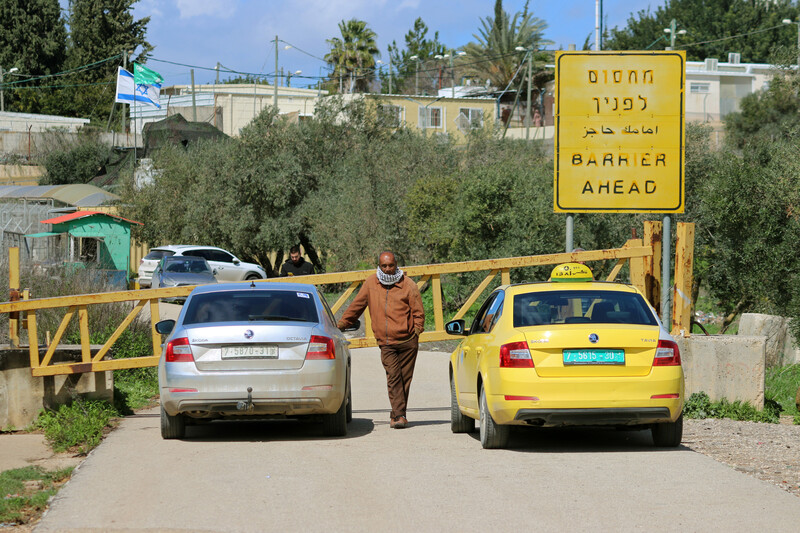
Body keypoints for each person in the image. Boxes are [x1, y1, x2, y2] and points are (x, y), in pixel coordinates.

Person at [337, 251, 425, 429]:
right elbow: (357, 306)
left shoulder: (408, 285)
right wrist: (340, 325)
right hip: (386, 343)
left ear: (396, 264)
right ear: (379, 265)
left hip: (407, 341)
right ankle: (399, 415)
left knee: (404, 380)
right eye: (384, 266)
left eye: (390, 265)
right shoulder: (371, 283)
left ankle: (397, 414)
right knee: (393, 377)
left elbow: (418, 311)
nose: (387, 269)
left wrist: (416, 331)